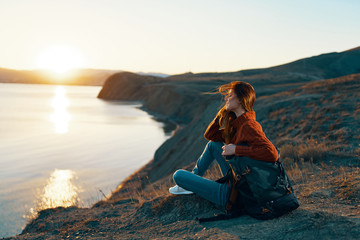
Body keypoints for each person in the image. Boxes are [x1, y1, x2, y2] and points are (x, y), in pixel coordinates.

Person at [169, 81, 279, 209]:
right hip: (237, 180)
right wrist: (222, 113)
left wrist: (236, 149)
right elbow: (211, 135)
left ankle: (188, 184)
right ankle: (193, 177)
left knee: (178, 175)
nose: (226, 98)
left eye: (230, 95)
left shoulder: (249, 125)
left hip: (235, 194)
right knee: (213, 145)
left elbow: (272, 153)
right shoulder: (239, 124)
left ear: (240, 100)